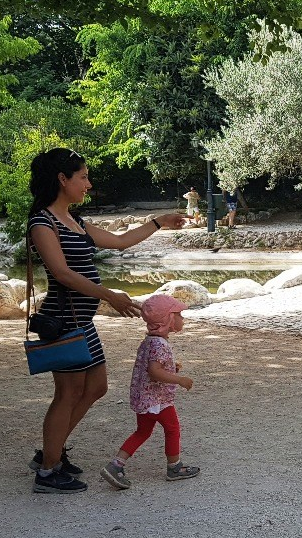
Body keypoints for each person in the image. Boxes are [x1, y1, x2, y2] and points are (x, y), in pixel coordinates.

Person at [26, 147, 186, 494]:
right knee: (67, 393)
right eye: (83, 177)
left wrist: (158, 222)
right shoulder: (43, 222)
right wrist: (109, 295)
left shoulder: (75, 221)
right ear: (62, 179)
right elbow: (62, 273)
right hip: (63, 319)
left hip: (82, 321)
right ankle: (48, 471)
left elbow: (119, 241)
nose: (88, 184)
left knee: (96, 387)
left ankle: (51, 451)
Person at [101, 294, 200, 490]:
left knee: (143, 431)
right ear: (168, 319)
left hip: (146, 398)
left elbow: (153, 367)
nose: (182, 318)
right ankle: (174, 467)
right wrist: (179, 379)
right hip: (157, 400)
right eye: (179, 314)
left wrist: (171, 369)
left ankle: (116, 465)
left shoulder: (151, 341)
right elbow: (154, 372)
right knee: (172, 428)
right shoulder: (159, 344)